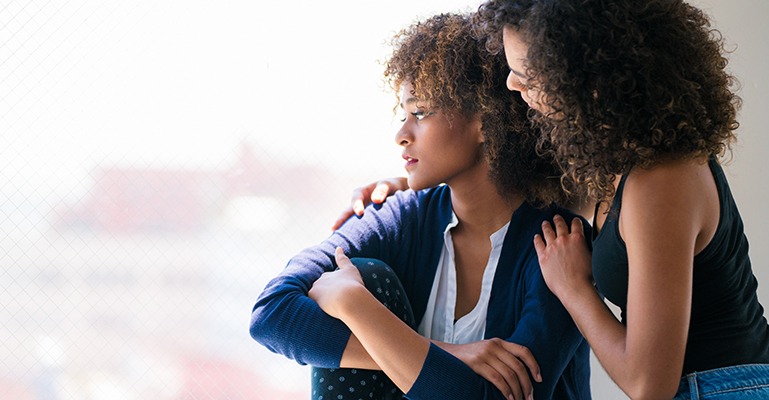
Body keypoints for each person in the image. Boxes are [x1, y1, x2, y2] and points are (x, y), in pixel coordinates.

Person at [250, 12, 591, 400]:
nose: (401, 135)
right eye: (402, 115)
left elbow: (498, 397)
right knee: (367, 273)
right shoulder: (402, 217)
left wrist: (355, 305)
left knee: (360, 284)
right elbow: (271, 313)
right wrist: (453, 354)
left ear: (485, 121)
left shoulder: (559, 244)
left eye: (421, 112)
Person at [469, 0, 769, 399]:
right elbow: (495, 189)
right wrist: (402, 190)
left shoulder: (661, 181)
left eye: (528, 75)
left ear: (590, 81)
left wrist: (575, 288)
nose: (512, 84)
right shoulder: (609, 163)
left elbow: (648, 386)